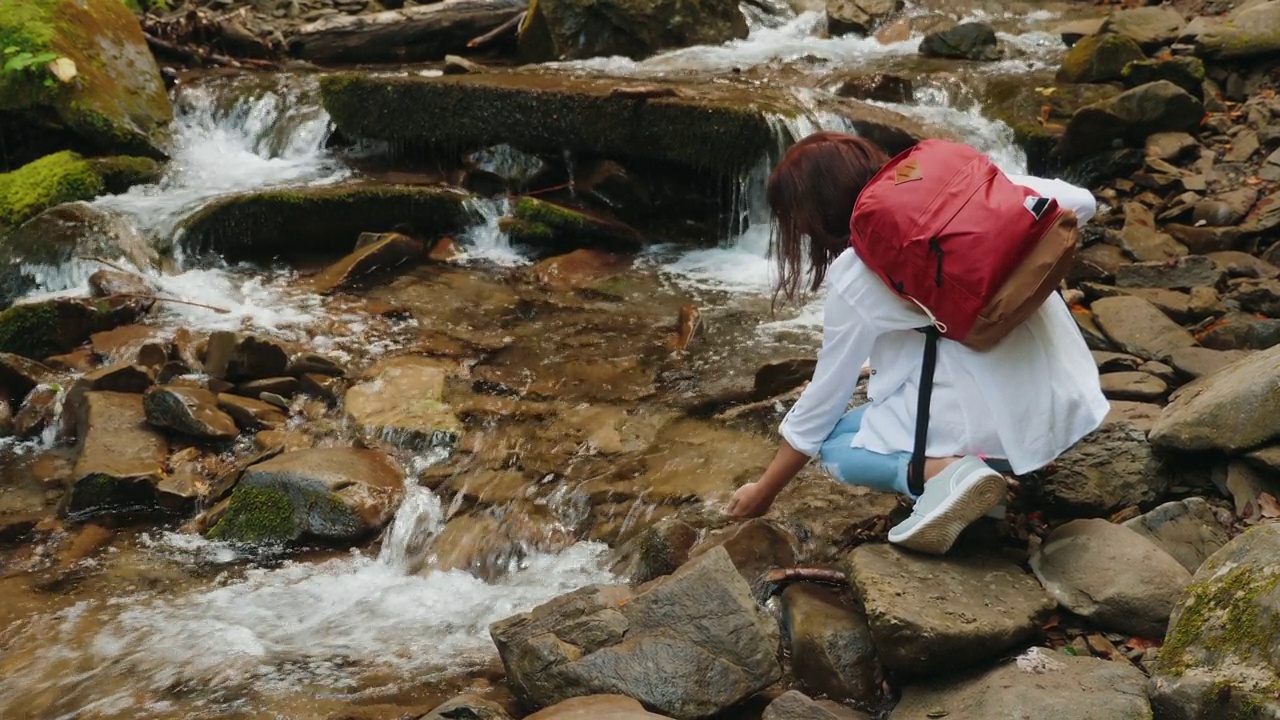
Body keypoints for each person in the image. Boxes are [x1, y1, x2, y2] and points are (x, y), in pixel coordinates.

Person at [722, 131, 1109, 556]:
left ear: (813, 214)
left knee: (834, 447)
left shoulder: (857, 273)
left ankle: (954, 474)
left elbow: (820, 405)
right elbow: (1082, 203)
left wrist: (765, 490)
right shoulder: (983, 196)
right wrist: (994, 233)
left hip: (993, 434)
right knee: (855, 424)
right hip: (1066, 405)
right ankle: (983, 489)